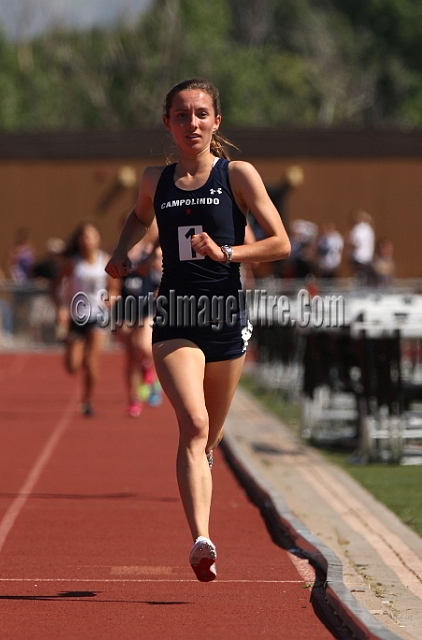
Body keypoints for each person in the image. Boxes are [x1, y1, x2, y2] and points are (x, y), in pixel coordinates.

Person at [105, 78, 291, 582]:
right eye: (182, 115)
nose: (193, 124)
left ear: (216, 121)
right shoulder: (154, 180)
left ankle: (203, 470)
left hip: (226, 317)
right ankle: (202, 539)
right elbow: (137, 217)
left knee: (212, 438)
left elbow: (280, 244)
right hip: (177, 316)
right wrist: (122, 252)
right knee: (194, 423)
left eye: (201, 114)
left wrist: (227, 253)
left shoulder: (238, 175)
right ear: (168, 123)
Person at [53, 220, 119, 416]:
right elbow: (55, 286)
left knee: (91, 361)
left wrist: (111, 299)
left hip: (99, 315)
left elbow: (114, 288)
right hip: (77, 316)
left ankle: (87, 401)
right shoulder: (73, 263)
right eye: (84, 236)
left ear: (98, 238)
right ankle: (72, 346)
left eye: (91, 236)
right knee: (73, 366)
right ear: (79, 240)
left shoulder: (105, 260)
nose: (88, 240)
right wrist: (61, 307)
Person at [116, 220, 163, 418]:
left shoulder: (153, 252)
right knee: (131, 356)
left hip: (147, 308)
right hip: (126, 309)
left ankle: (148, 370)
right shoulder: (119, 253)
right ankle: (133, 399)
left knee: (144, 346)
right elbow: (112, 282)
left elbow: (164, 276)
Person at [347, 209, 376, 285]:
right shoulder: (367, 229)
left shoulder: (359, 229)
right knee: (365, 278)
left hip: (360, 258)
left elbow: (355, 243)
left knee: (362, 278)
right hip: (364, 258)